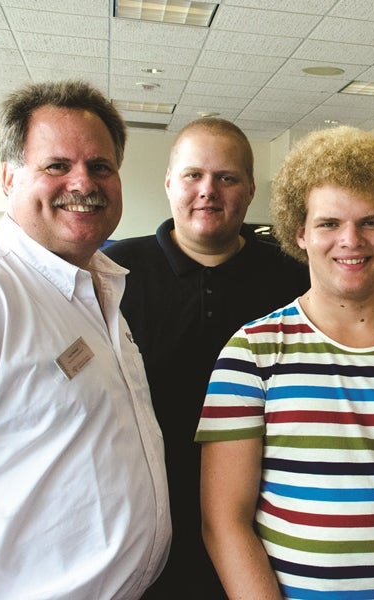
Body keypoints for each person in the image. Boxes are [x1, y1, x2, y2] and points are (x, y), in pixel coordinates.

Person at [195, 125, 374, 599]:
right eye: (329, 223)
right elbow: (224, 520)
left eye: (370, 221)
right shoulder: (251, 351)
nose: (350, 240)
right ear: (300, 232)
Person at [0, 80, 171, 599]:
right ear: (10, 176)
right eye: (57, 165)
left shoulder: (101, 285)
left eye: (100, 166)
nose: (83, 182)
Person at [102, 116, 309, 599]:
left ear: (251, 189)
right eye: (194, 175)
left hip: (268, 529)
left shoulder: (294, 279)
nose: (208, 190)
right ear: (170, 182)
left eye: (227, 177)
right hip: (145, 530)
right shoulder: (113, 276)